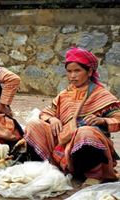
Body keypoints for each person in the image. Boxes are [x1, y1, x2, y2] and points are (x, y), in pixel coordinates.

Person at [24, 47, 120, 186]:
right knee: (35, 125)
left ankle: (95, 175)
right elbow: (47, 112)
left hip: (86, 143)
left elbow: (117, 118)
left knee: (85, 131)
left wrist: (103, 120)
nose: (72, 76)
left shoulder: (101, 94)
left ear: (90, 72)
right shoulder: (64, 94)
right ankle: (49, 167)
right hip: (64, 140)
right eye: (69, 71)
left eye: (77, 71)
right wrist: (53, 119)